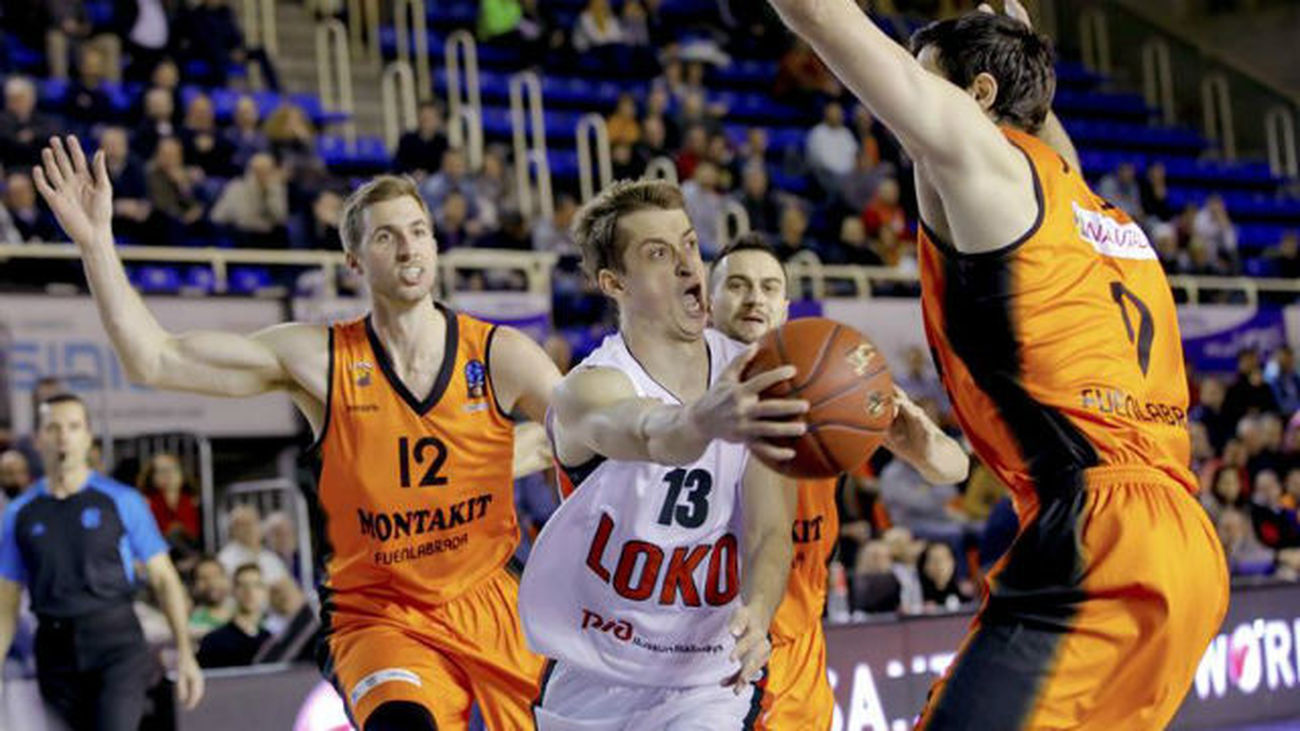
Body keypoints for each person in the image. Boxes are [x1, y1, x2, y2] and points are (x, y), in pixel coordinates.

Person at [766, 0, 1228, 727]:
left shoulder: (985, 165)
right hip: (1182, 539)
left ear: (979, 96)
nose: (913, 111)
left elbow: (821, 18)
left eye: (926, 84)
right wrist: (1026, 59)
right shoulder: (1089, 206)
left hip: (1098, 535)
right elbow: (1045, 134)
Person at [33, 136, 563, 731]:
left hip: (490, 601)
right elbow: (154, 360)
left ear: (436, 245)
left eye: (419, 231)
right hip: (380, 612)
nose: (408, 247)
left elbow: (583, 433)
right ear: (354, 261)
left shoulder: (499, 353)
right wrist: (96, 243)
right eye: (386, 236)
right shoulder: (319, 359)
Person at [519, 180, 805, 728]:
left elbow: (770, 532)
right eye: (658, 253)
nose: (685, 264)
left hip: (705, 680)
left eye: (690, 244)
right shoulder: (588, 388)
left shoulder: (753, 375)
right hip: (594, 673)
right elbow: (649, 433)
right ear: (614, 282)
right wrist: (701, 419)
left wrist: (758, 611)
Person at [705, 234, 967, 729]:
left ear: (785, 305)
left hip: (802, 648)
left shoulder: (827, 381)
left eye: (768, 287)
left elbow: (952, 469)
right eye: (737, 285)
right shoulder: (688, 397)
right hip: (713, 651)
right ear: (707, 301)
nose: (754, 298)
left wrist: (922, 443)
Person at [0, 393, 203, 728]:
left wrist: (185, 654)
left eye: (73, 427)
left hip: (116, 645)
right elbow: (5, 601)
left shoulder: (122, 500)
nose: (63, 436)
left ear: (87, 436)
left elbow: (164, 579)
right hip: (54, 651)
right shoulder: (19, 513)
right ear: (38, 440)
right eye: (53, 428)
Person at [197, 563, 271, 668]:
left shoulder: (269, 641)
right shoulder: (213, 641)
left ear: (265, 591)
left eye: (256, 585)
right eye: (242, 585)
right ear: (233, 591)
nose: (249, 592)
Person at [217, 504, 290, 584]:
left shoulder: (270, 558)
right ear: (232, 531)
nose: (249, 529)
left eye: (254, 522)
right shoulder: (225, 559)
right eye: (243, 525)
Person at [189, 555, 234, 637]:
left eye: (216, 576)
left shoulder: (243, 610)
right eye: (203, 578)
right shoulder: (192, 621)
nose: (211, 583)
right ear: (194, 585)